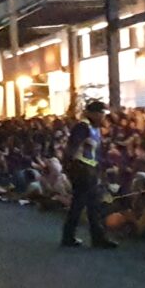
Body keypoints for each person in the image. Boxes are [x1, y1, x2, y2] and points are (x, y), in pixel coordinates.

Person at [60, 100, 118, 249]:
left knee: (87, 205)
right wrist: (70, 167)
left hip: (90, 169)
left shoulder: (95, 129)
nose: (103, 117)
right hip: (82, 170)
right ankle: (91, 237)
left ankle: (75, 236)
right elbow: (72, 148)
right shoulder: (82, 127)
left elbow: (95, 153)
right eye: (101, 113)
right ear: (93, 113)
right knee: (85, 204)